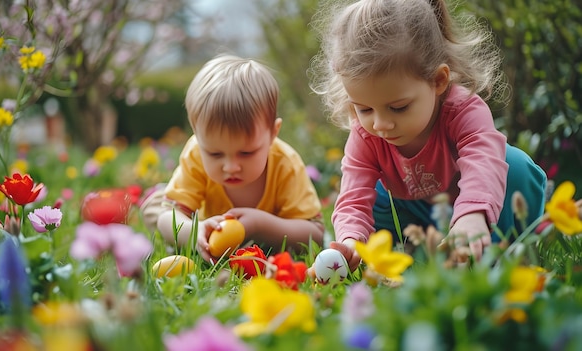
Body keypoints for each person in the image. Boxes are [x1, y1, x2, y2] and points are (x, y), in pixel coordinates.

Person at [308, 0, 547, 270]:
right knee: (376, 196)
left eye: (398, 107)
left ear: (438, 80)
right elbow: (354, 196)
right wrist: (351, 241)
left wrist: (472, 215)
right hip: (412, 212)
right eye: (364, 108)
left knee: (514, 167)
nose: (381, 124)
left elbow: (483, 161)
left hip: (475, 205)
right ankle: (416, 251)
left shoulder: (462, 110)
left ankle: (492, 247)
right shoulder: (366, 133)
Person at [140, 54, 325, 263]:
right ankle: (162, 195)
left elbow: (315, 235)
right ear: (197, 135)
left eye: (246, 153)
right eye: (215, 154)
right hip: (202, 221)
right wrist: (195, 232)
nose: (231, 167)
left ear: (273, 133)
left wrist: (259, 225)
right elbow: (169, 216)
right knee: (157, 211)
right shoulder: (196, 152)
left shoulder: (285, 163)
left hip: (272, 232)